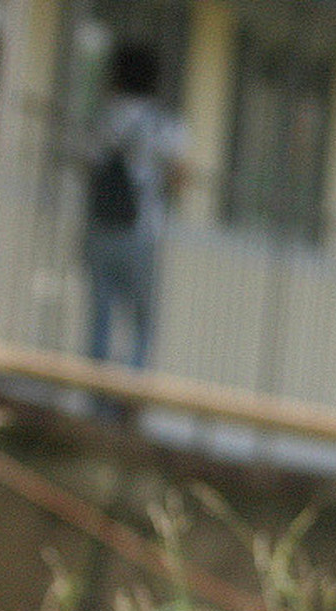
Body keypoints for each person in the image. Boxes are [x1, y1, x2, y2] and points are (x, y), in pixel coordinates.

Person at [82, 42, 188, 373]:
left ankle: (96, 388)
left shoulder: (103, 116)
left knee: (101, 313)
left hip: (101, 226)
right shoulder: (164, 124)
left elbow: (87, 162)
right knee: (142, 318)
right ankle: (132, 383)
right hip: (142, 229)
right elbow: (178, 176)